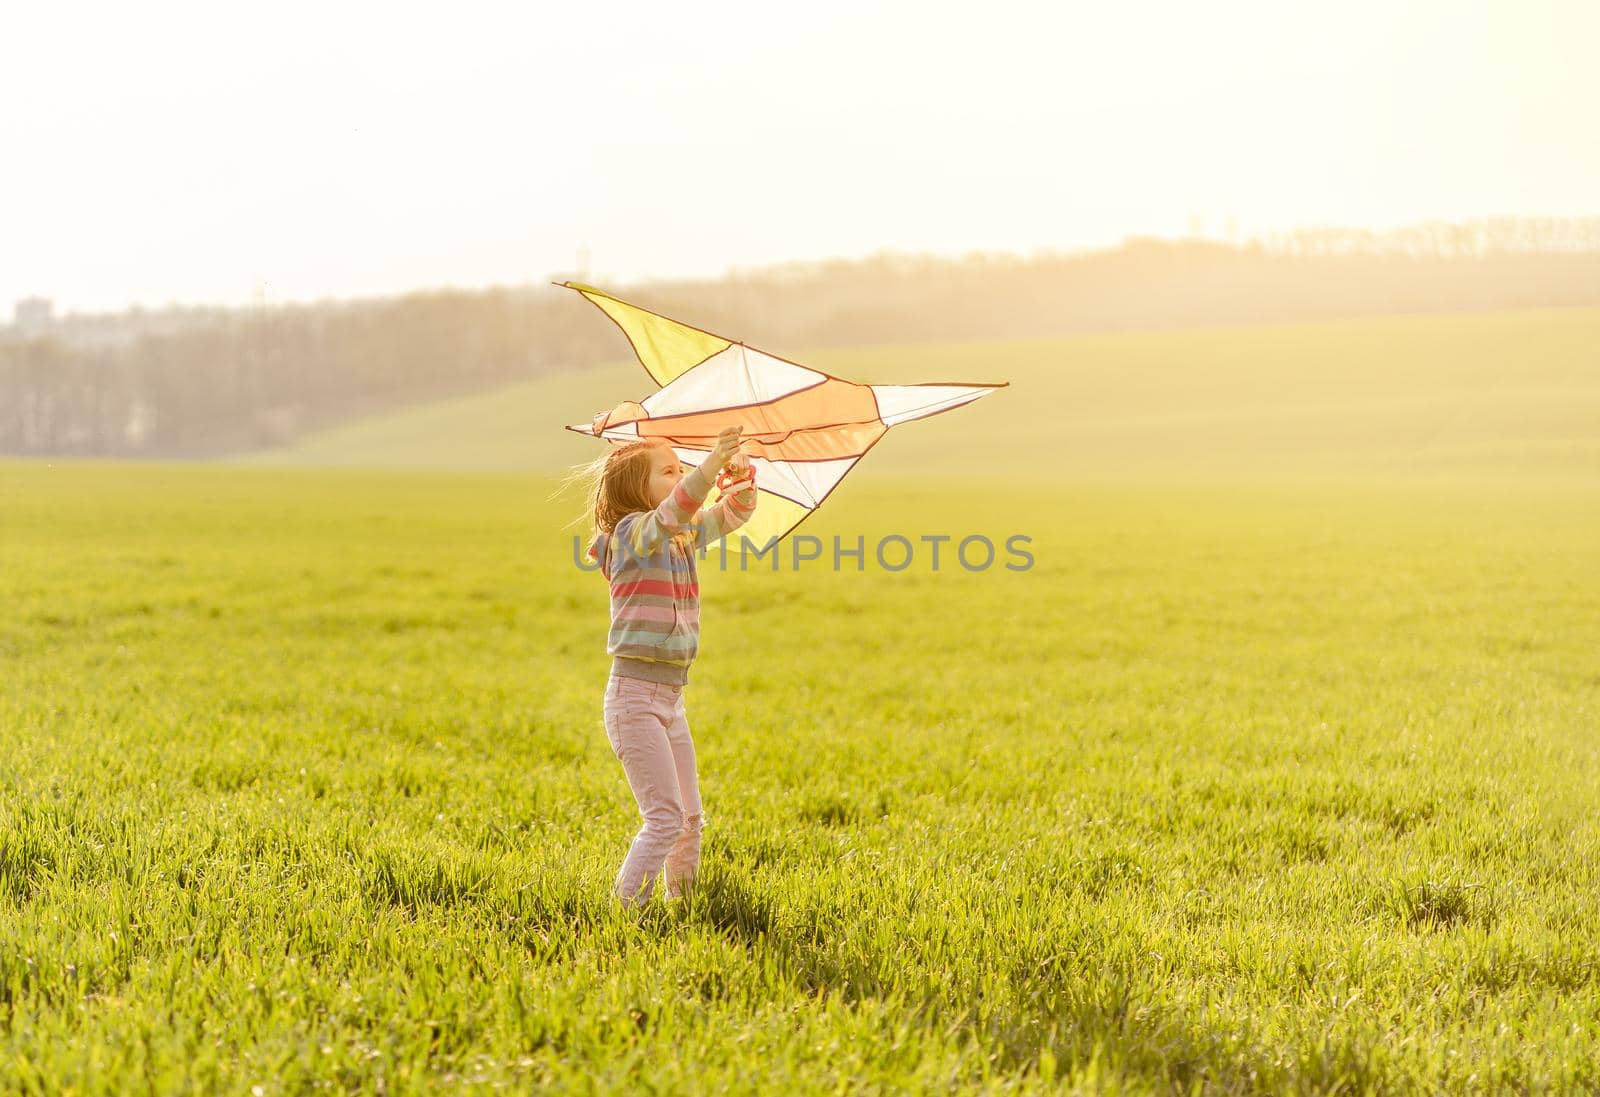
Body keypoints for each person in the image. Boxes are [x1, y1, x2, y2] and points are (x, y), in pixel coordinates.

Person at [580, 426, 757, 907]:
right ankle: (625, 910)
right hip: (634, 700)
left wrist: (737, 478)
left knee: (690, 819)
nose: (680, 477)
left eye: (682, 469)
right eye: (670, 471)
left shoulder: (680, 536)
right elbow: (672, 511)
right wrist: (707, 467)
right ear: (637, 487)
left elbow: (733, 514)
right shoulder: (630, 535)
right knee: (664, 817)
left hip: (671, 700)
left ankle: (684, 904)